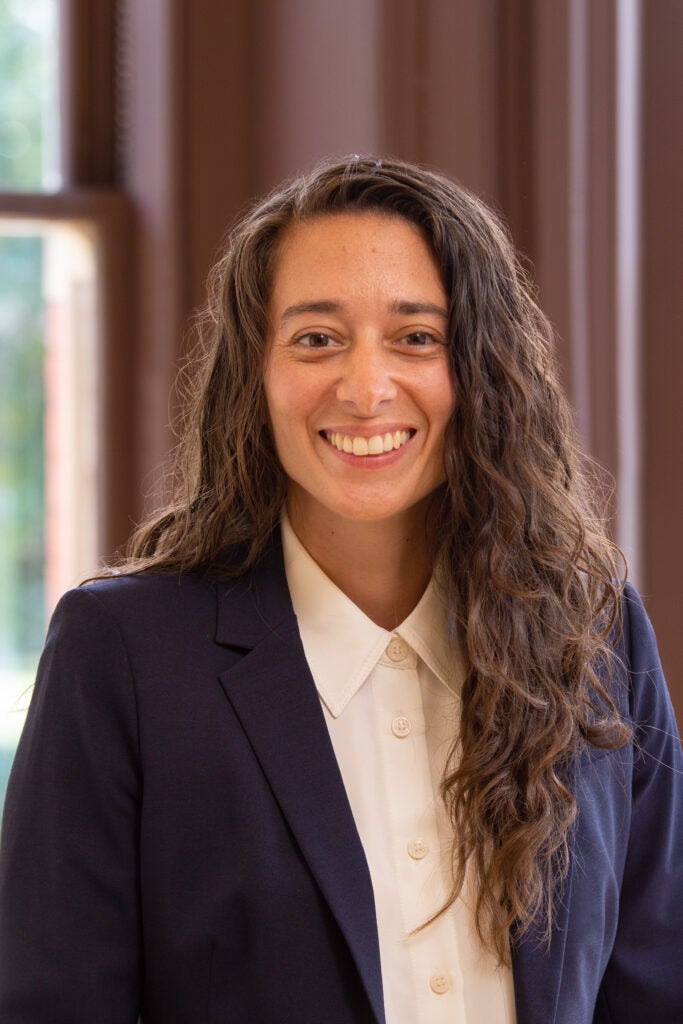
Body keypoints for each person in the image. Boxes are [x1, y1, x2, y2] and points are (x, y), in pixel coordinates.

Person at [0, 156, 681, 1024]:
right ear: (257, 373)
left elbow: (655, 985)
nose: (365, 389)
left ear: (481, 369)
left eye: (417, 337)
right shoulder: (125, 655)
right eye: (316, 338)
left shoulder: (597, 635)